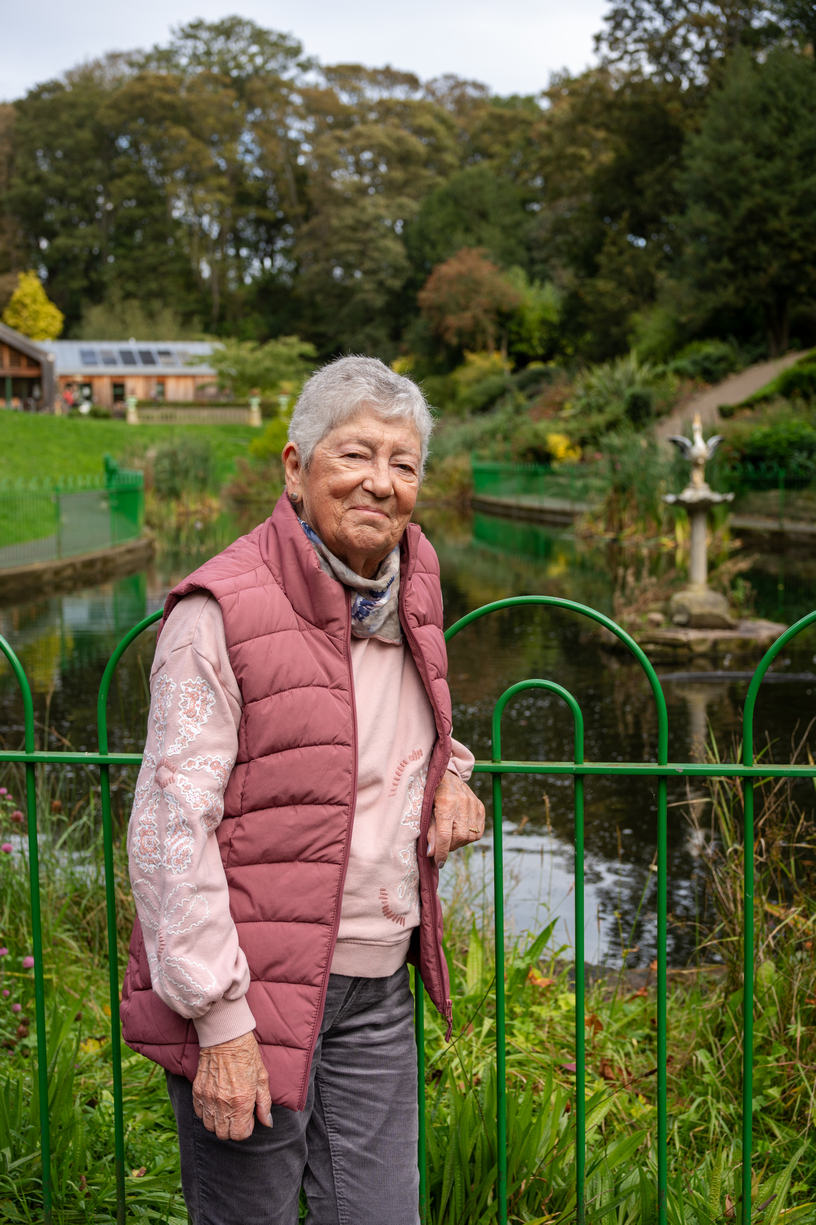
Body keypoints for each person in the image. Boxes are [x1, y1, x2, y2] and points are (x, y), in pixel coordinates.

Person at [121, 355, 486, 1225]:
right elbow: (170, 829)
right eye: (356, 454)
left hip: (375, 991)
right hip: (254, 993)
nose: (381, 483)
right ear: (295, 466)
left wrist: (453, 780)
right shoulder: (220, 610)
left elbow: (385, 735)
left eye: (404, 463)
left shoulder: (412, 590)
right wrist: (219, 1021)